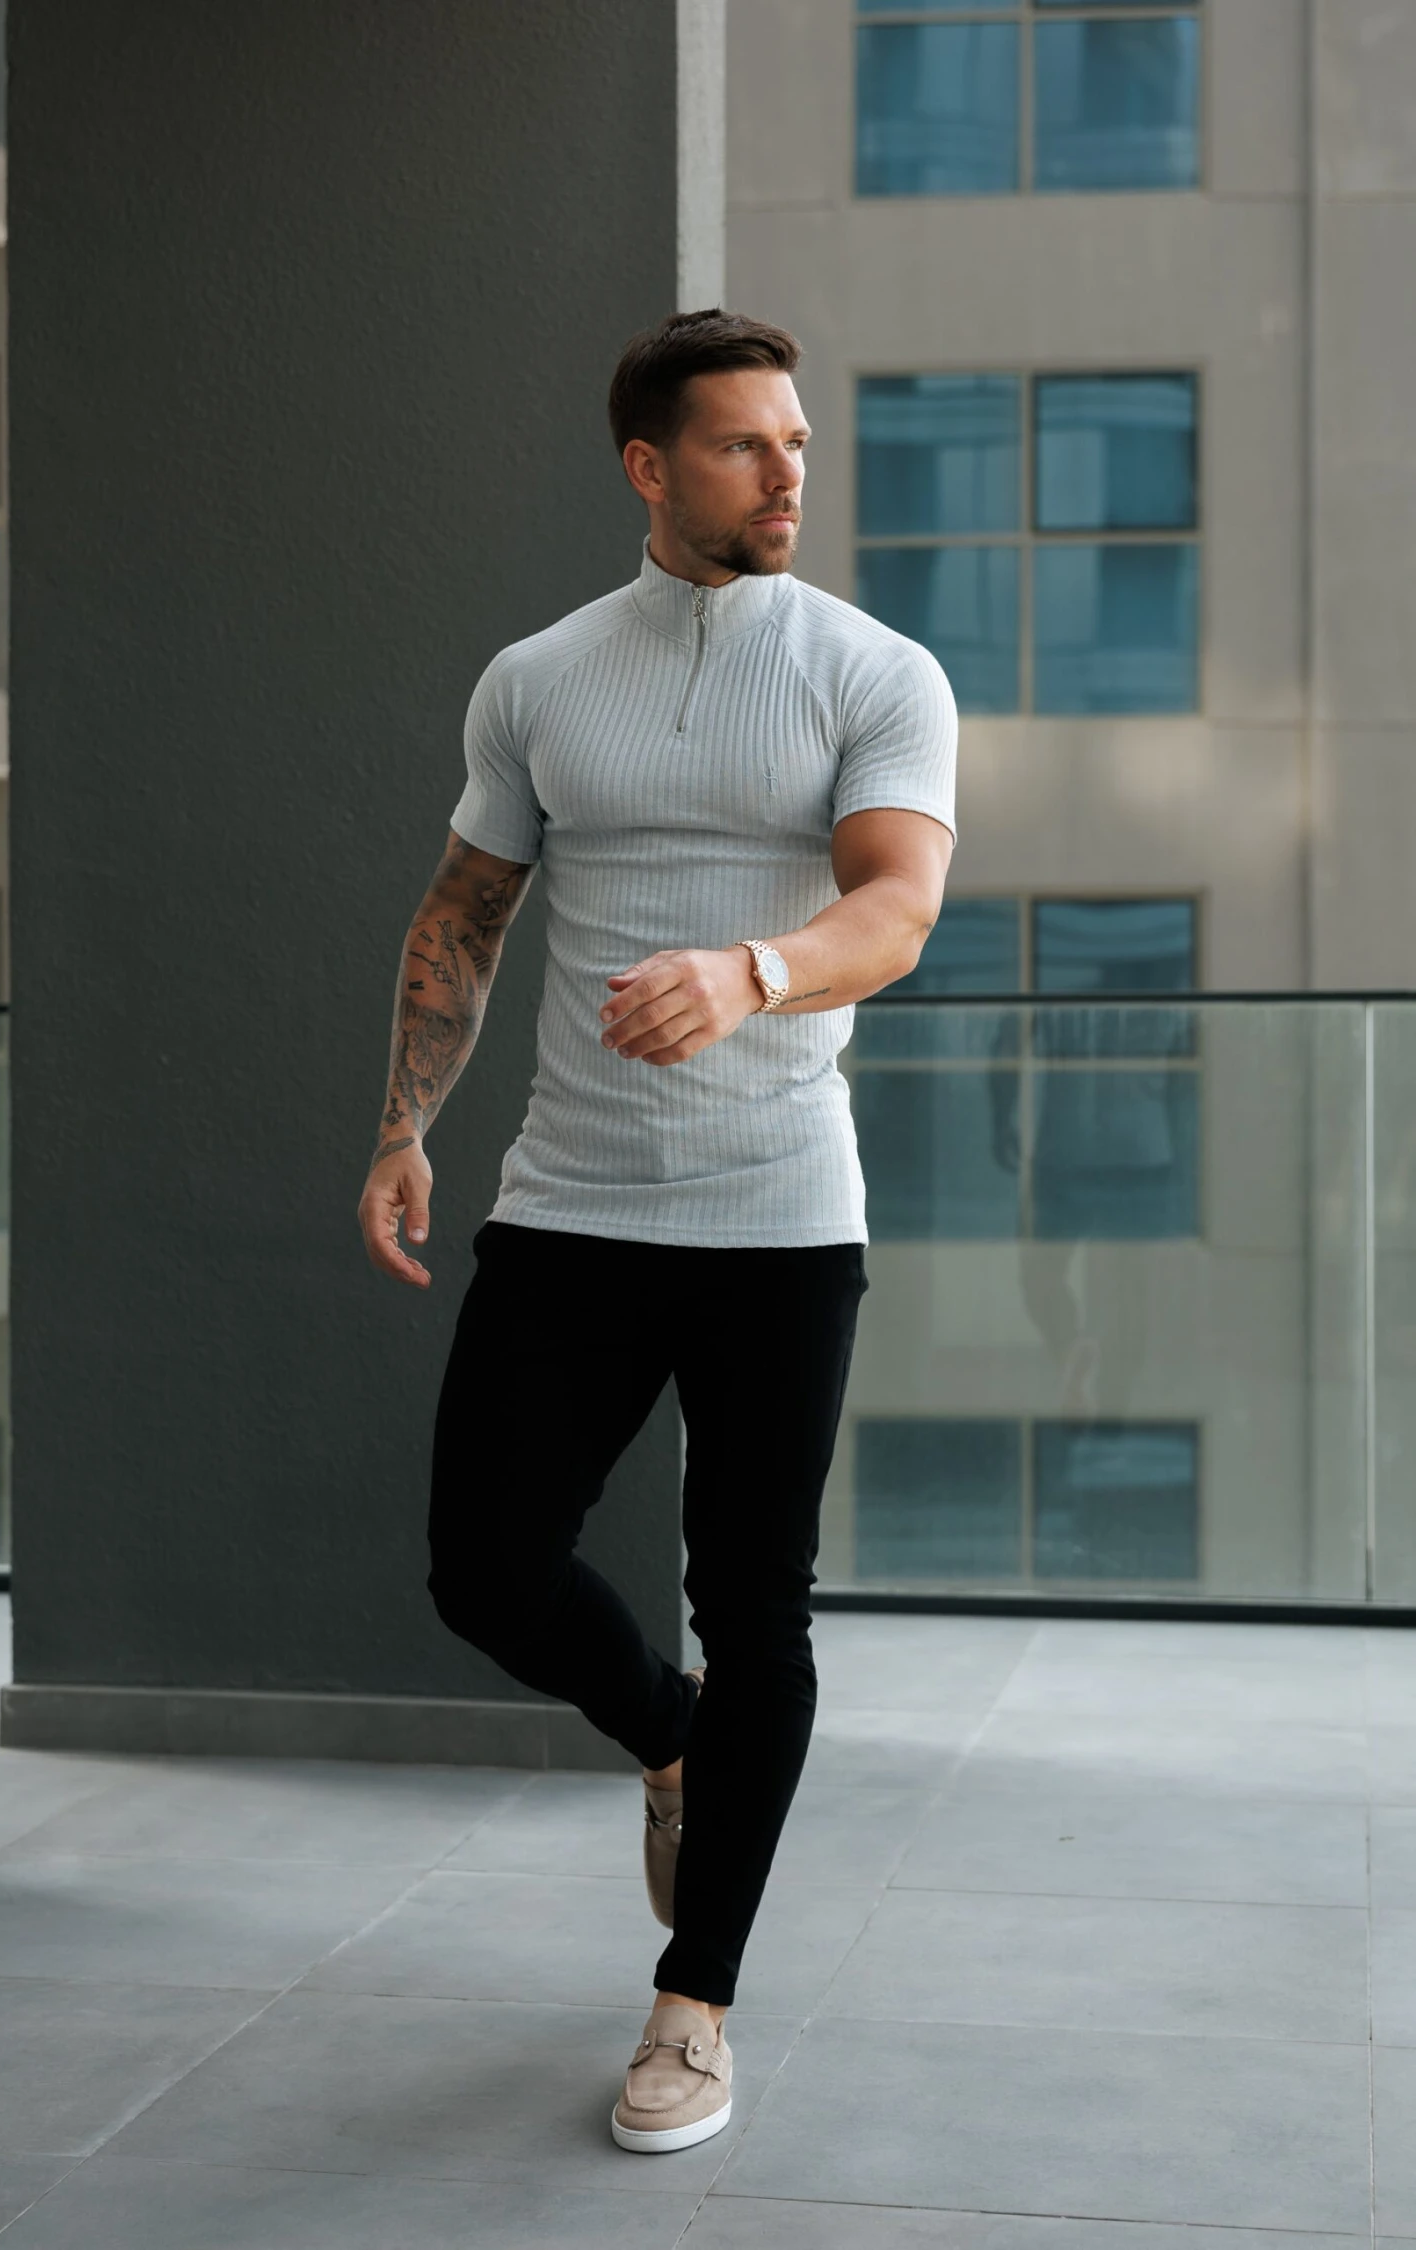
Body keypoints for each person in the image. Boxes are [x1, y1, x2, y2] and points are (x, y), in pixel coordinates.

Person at [356, 308, 957, 2154]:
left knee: (757, 1602)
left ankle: (694, 2003)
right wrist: (402, 1122)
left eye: (798, 442)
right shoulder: (540, 679)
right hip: (575, 1203)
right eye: (744, 444)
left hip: (782, 1216)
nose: (788, 472)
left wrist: (754, 970)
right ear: (650, 466)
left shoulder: (875, 672)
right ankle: (671, 1735)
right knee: (482, 1565)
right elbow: (463, 913)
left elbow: (897, 908)